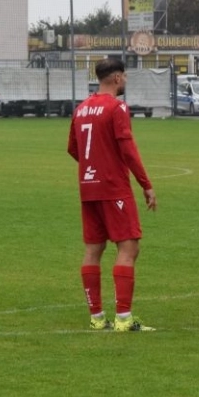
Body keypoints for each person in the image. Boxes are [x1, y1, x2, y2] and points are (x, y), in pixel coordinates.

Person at [68, 57, 157, 332]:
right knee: (128, 248)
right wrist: (146, 184)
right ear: (117, 78)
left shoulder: (81, 109)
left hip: (88, 187)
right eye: (125, 76)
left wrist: (93, 164)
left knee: (93, 249)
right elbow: (129, 150)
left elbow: (73, 149)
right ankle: (123, 318)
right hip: (113, 187)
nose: (126, 81)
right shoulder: (117, 108)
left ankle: (96, 318)